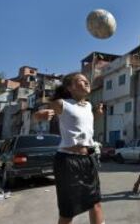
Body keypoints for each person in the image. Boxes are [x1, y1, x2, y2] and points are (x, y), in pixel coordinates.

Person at [34, 72, 105, 224]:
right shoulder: (62, 103)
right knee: (69, 212)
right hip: (67, 161)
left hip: (88, 159)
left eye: (87, 81)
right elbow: (38, 114)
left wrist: (97, 114)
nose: (86, 83)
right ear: (70, 87)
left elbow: (83, 126)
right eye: (81, 81)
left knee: (96, 203)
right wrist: (42, 114)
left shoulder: (88, 106)